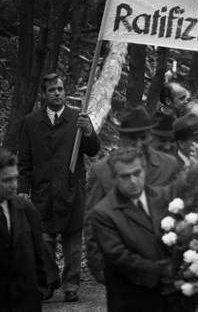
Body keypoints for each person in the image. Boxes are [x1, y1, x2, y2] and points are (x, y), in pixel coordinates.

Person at [18, 73, 100, 302]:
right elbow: (24, 160)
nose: (57, 93)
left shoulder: (78, 119)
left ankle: (71, 286)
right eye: (52, 90)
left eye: (61, 89)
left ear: (65, 92)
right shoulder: (31, 122)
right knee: (44, 240)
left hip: (71, 189)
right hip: (42, 191)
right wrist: (22, 189)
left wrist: (88, 131)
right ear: (44, 95)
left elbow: (93, 150)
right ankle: (48, 281)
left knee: (73, 243)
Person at [85, 106, 179, 283]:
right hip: (122, 265)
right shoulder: (101, 170)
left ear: (151, 135)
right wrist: (98, 266)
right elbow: (91, 221)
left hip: (163, 262)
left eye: (143, 137)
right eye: (132, 138)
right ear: (121, 139)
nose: (138, 143)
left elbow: (179, 211)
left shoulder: (169, 165)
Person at [89, 147, 171, 312]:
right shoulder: (104, 213)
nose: (133, 181)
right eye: (125, 176)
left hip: (170, 297)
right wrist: (163, 272)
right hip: (132, 299)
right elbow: (118, 257)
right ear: (114, 178)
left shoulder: (165, 198)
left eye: (137, 173)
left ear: (145, 169)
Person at [0, 148, 48, 312]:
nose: (14, 185)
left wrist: (39, 292)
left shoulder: (26, 210)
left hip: (25, 303)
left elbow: (38, 256)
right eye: (7, 180)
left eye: (15, 178)